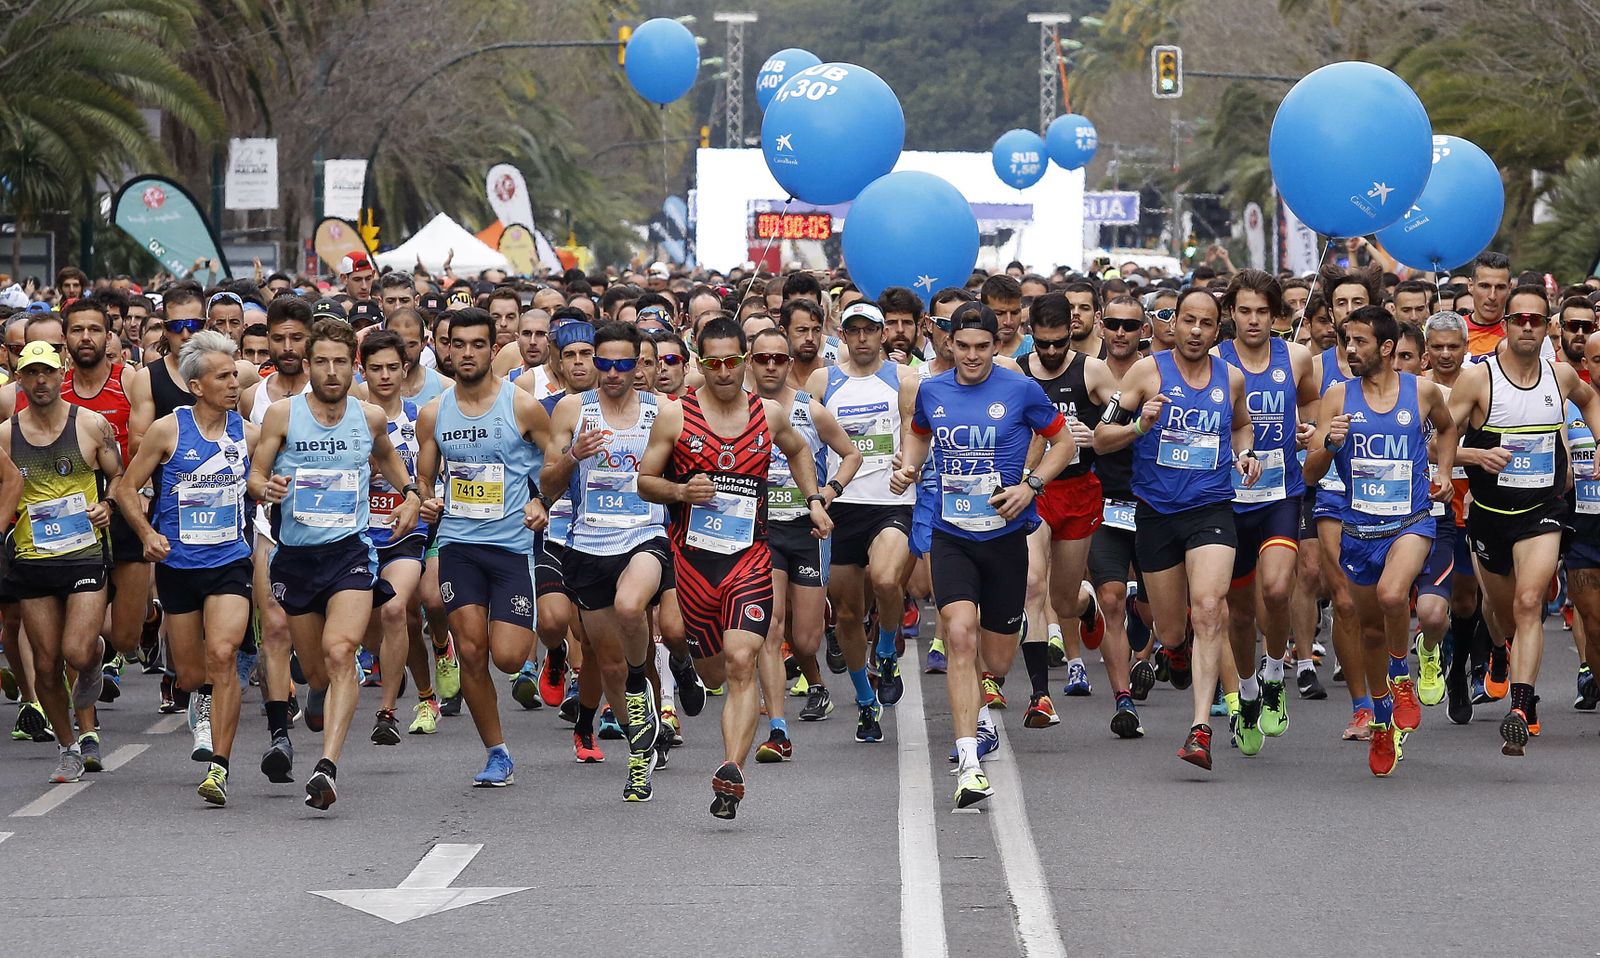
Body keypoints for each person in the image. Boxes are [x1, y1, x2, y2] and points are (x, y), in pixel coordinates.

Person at [637, 318, 832, 821]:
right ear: (698, 363)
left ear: (745, 358)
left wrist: (813, 500)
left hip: (750, 559)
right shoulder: (676, 417)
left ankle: (730, 770)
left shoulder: (768, 414)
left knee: (743, 658)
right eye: (713, 362)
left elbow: (800, 450)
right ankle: (687, 669)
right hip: (693, 565)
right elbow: (644, 481)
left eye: (731, 361)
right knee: (715, 668)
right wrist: (681, 491)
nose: (723, 371)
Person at [890, 301, 1076, 808]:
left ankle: (982, 714)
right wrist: (908, 468)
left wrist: (1031, 485)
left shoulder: (1020, 390)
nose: (971, 356)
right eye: (962, 346)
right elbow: (920, 435)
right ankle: (969, 760)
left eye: (982, 346)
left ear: (997, 344)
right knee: (957, 635)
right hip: (952, 534)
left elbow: (1062, 443)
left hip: (1003, 537)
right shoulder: (933, 390)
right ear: (949, 343)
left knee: (995, 659)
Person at [248, 319, 421, 810]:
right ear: (308, 366)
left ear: (354, 367)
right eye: (321, 361)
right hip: (296, 558)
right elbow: (256, 476)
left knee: (341, 651)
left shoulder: (369, 418)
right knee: (317, 669)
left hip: (349, 553)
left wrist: (409, 493)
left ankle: (327, 767)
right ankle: (318, 692)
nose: (330, 370)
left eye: (340, 362)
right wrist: (268, 489)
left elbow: (387, 458)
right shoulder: (282, 416)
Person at [1093, 288, 1261, 771]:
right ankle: (1176, 652)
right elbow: (1103, 439)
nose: (1194, 331)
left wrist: (1245, 453)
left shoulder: (1229, 378)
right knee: (1170, 628)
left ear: (1217, 329)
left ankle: (1200, 728)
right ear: (1172, 323)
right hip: (1156, 514)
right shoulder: (1148, 373)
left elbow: (1241, 426)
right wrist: (1140, 427)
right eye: (1187, 320)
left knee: (1209, 608)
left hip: (1211, 509)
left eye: (1206, 324)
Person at [540, 321, 698, 801]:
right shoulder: (573, 409)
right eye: (601, 363)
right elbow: (547, 486)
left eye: (622, 364)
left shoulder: (664, 412)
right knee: (606, 663)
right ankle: (638, 755)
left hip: (646, 535)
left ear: (640, 365)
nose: (609, 372)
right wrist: (572, 457)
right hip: (586, 544)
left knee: (633, 609)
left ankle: (647, 677)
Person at [1449, 285, 1600, 754]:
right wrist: (1475, 453)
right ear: (1506, 325)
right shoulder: (1479, 380)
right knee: (1504, 614)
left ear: (1546, 325)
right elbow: (1439, 438)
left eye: (1537, 320)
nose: (1528, 327)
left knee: (1530, 601)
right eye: (1519, 319)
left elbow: (1590, 399)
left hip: (1543, 511)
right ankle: (1499, 653)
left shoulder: (1559, 377)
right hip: (1491, 516)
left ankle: (1521, 704)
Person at [1305, 306, 1455, 775]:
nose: (1350, 349)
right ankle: (1384, 723)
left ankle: (1401, 676)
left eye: (1360, 341)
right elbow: (1310, 473)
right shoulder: (1337, 397)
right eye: (1346, 341)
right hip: (1359, 530)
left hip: (1411, 521)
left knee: (1394, 594)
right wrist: (1329, 443)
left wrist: (1445, 471)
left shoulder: (1423, 391)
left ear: (1387, 349)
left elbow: (1448, 428)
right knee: (1369, 630)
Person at [415, 307, 556, 788]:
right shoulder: (434, 413)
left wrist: (542, 499)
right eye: (460, 345)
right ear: (447, 348)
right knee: (472, 652)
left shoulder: (521, 406)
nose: (468, 353)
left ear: (493, 348)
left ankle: (545, 659)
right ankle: (497, 752)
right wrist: (428, 500)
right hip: (459, 545)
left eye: (479, 344)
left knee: (509, 658)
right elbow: (425, 476)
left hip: (512, 548)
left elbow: (557, 462)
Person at [116, 331, 256, 804]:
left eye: (234, 374)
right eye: (222, 377)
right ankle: (200, 702)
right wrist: (148, 535)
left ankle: (219, 765)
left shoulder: (248, 433)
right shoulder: (168, 430)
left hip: (230, 562)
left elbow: (274, 476)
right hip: (178, 565)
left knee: (223, 655)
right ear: (197, 386)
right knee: (194, 674)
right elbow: (125, 488)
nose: (233, 384)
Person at [2, 341, 121, 784]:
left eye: (47, 372)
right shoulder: (6, 433)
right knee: (48, 662)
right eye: (31, 373)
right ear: (20, 379)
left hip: (85, 551)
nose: (40, 381)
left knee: (75, 650)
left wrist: (108, 504)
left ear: (61, 373)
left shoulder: (90, 424)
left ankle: (94, 657)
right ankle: (68, 746)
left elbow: (119, 474)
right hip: (33, 558)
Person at [1215, 271, 1318, 756]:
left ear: (1276, 315)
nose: (1253, 320)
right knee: (1237, 613)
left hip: (1281, 491)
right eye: (1244, 311)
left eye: (1262, 311)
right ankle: (1248, 693)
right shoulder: (1215, 361)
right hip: (1228, 499)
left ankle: (1276, 673)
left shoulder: (1296, 357)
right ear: (1230, 313)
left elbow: (1312, 402)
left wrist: (1309, 430)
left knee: (1277, 589)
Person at [745, 326, 862, 752]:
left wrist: (829, 493)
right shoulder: (737, 410)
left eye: (779, 358)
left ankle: (815, 671)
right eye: (762, 358)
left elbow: (852, 454)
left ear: (790, 363)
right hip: (761, 531)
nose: (771, 365)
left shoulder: (810, 410)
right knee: (770, 627)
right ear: (750, 362)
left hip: (806, 527)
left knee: (806, 638)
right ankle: (779, 728)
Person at [808, 303, 919, 740]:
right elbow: (806, 435)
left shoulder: (902, 378)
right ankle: (865, 701)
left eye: (870, 330)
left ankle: (888, 650)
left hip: (890, 500)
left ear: (882, 333)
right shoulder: (824, 379)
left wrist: (909, 465)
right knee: (849, 615)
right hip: (841, 504)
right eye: (852, 331)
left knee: (889, 580)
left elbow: (915, 428)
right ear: (843, 334)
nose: (862, 338)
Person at [1014, 292, 1114, 729]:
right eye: (1043, 343)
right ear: (1030, 335)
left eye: (1059, 342)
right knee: (1033, 586)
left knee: (1062, 598)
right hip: (1035, 491)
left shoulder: (1090, 369)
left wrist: (1097, 431)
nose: (1052, 352)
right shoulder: (1016, 374)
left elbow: (1121, 406)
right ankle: (1040, 695)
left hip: (1078, 490)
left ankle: (1086, 605)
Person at [240, 296, 312, 780]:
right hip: (272, 527)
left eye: (295, 338)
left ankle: (322, 691)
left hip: (331, 532)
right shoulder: (252, 395)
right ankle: (279, 735)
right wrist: (262, 486)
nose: (286, 347)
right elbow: (249, 469)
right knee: (275, 627)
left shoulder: (336, 390)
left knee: (324, 643)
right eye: (278, 337)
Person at [356, 329, 436, 740]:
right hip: (358, 533)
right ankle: (404, 671)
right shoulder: (351, 418)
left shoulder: (420, 418)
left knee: (396, 609)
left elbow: (429, 476)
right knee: (373, 627)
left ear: (405, 370)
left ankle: (392, 710)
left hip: (408, 529)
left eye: (392, 367)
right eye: (375, 369)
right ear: (362, 371)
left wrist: (428, 499)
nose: (385, 376)